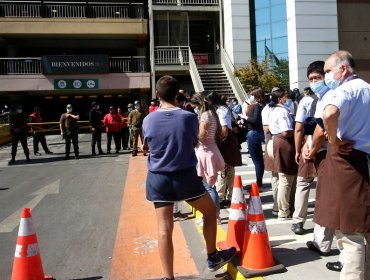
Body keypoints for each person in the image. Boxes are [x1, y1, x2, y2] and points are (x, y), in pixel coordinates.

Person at [142, 75, 236, 280]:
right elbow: (195, 142)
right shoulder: (188, 117)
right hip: (185, 175)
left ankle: (168, 277)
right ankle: (213, 257)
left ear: (157, 95)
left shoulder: (148, 119)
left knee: (164, 228)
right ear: (178, 94)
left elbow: (146, 146)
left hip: (158, 178)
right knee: (210, 213)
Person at [311, 50, 370, 279]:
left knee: (349, 234)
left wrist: (333, 140)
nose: (325, 76)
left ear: (343, 69)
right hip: (365, 160)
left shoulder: (345, 89)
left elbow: (329, 113)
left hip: (348, 162)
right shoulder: (367, 88)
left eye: (327, 71)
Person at [301, 61, 339, 262]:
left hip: (328, 154)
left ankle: (323, 243)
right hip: (335, 153)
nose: (316, 82)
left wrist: (312, 150)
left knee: (326, 198)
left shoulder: (330, 97)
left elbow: (320, 130)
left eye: (319, 77)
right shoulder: (323, 97)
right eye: (312, 79)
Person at [291, 72, 319, 235]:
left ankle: (298, 221)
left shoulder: (306, 101)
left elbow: (299, 128)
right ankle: (325, 223)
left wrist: (297, 149)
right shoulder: (334, 97)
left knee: (303, 183)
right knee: (324, 186)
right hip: (330, 147)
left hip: (309, 145)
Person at [191, 92, 225, 225]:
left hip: (205, 151)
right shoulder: (213, 114)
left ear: (199, 104)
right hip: (212, 149)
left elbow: (202, 136)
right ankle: (213, 215)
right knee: (210, 186)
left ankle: (213, 216)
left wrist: (193, 133)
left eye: (195, 105)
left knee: (208, 187)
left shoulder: (205, 116)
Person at [266, 88, 298, 220]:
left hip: (272, 141)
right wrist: (296, 130)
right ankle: (284, 211)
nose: (288, 99)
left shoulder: (272, 110)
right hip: (282, 142)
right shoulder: (283, 111)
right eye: (286, 97)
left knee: (276, 178)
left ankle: (276, 207)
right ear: (280, 99)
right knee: (286, 178)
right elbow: (286, 131)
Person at [206, 91, 237, 209]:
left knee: (222, 170)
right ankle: (230, 197)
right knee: (229, 169)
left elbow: (224, 128)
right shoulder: (225, 108)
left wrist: (220, 141)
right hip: (229, 139)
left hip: (225, 140)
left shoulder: (220, 110)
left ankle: (220, 197)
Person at [239, 88, 265, 191]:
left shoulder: (258, 107)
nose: (251, 97)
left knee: (257, 161)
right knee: (257, 160)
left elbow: (254, 120)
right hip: (253, 133)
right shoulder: (259, 106)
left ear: (257, 96)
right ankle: (259, 183)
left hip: (253, 134)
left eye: (253, 95)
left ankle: (259, 184)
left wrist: (244, 117)